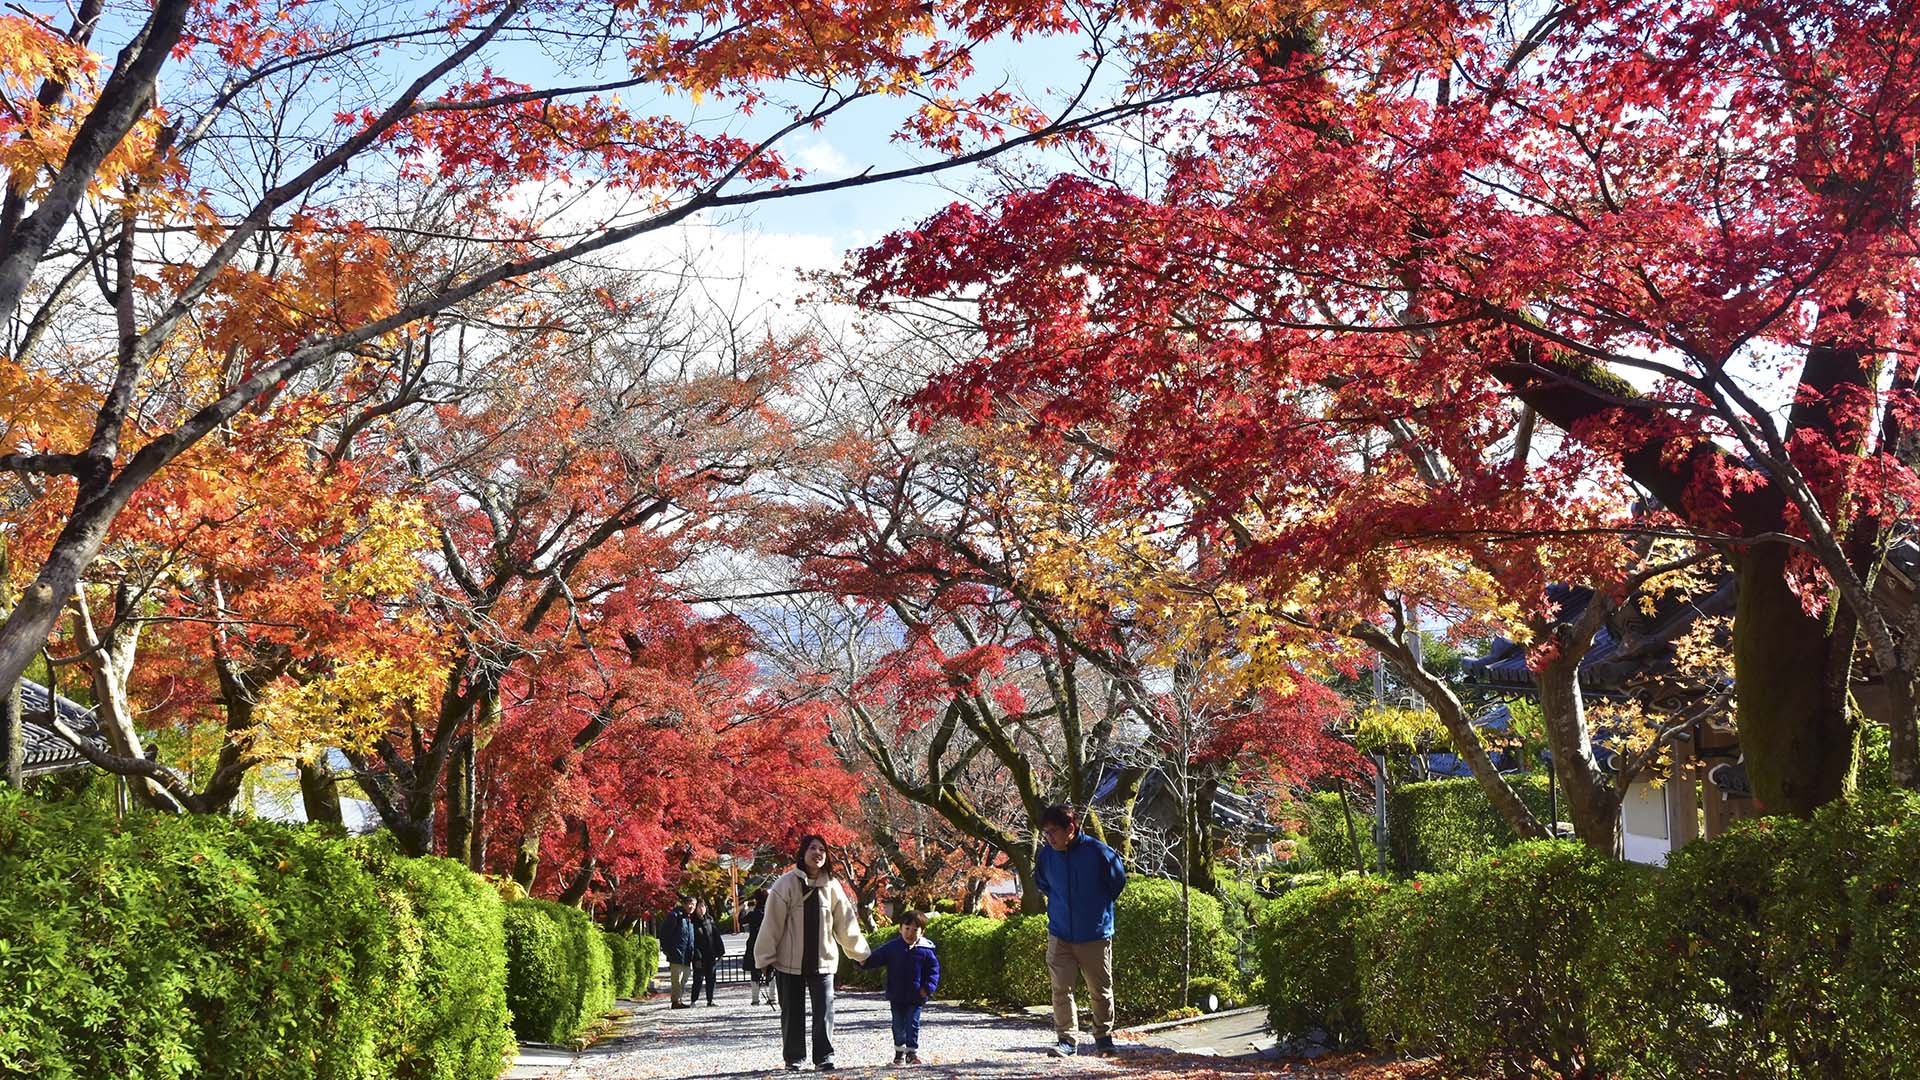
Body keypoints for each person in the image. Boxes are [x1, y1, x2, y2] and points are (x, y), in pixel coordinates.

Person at [753, 833, 871, 1072]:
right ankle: (793, 1058)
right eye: (812, 848)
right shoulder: (784, 884)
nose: (818, 853)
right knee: (792, 1013)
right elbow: (771, 924)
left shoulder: (833, 886)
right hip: (788, 962)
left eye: (822, 850)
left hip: (823, 961)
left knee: (825, 1011)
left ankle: (824, 1056)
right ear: (802, 853)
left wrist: (861, 953)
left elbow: (846, 923)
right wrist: (765, 957)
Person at [1033, 804, 1127, 1057]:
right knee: (1061, 989)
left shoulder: (1099, 853)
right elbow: (1043, 884)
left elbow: (1117, 884)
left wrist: (1096, 909)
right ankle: (1066, 1040)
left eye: (1053, 831)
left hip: (1094, 934)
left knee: (1100, 989)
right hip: (1059, 932)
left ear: (1071, 829)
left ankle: (1103, 1037)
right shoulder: (1046, 856)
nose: (1049, 837)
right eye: (1046, 832)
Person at [859, 910, 940, 1066]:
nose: (910, 933)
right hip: (896, 995)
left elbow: (933, 971)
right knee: (897, 1024)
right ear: (900, 929)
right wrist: (862, 961)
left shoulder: (926, 951)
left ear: (922, 932)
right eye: (907, 928)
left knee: (912, 1023)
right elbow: (876, 958)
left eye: (915, 930)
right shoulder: (892, 948)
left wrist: (928, 988)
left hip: (916, 996)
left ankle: (911, 1052)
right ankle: (899, 1052)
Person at [742, 889, 777, 1007]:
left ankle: (755, 999)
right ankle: (773, 997)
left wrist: (745, 908)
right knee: (771, 970)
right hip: (769, 943)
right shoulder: (771, 913)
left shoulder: (753, 914)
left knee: (754, 971)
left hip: (754, 944)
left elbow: (741, 920)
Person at [661, 895, 697, 1009]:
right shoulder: (675, 916)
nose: (691, 906)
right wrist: (667, 950)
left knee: (686, 976)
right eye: (690, 904)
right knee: (676, 978)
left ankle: (678, 999)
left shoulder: (689, 918)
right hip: (676, 952)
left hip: (686, 954)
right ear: (684, 904)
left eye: (694, 905)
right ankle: (676, 1001)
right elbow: (665, 933)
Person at [692, 899, 725, 1006]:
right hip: (699, 954)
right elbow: (693, 942)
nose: (702, 909)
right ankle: (694, 1000)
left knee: (711, 978)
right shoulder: (692, 922)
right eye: (699, 907)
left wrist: (720, 952)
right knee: (698, 978)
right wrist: (696, 957)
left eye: (703, 906)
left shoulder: (709, 920)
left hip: (710, 954)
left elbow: (716, 937)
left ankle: (710, 1000)